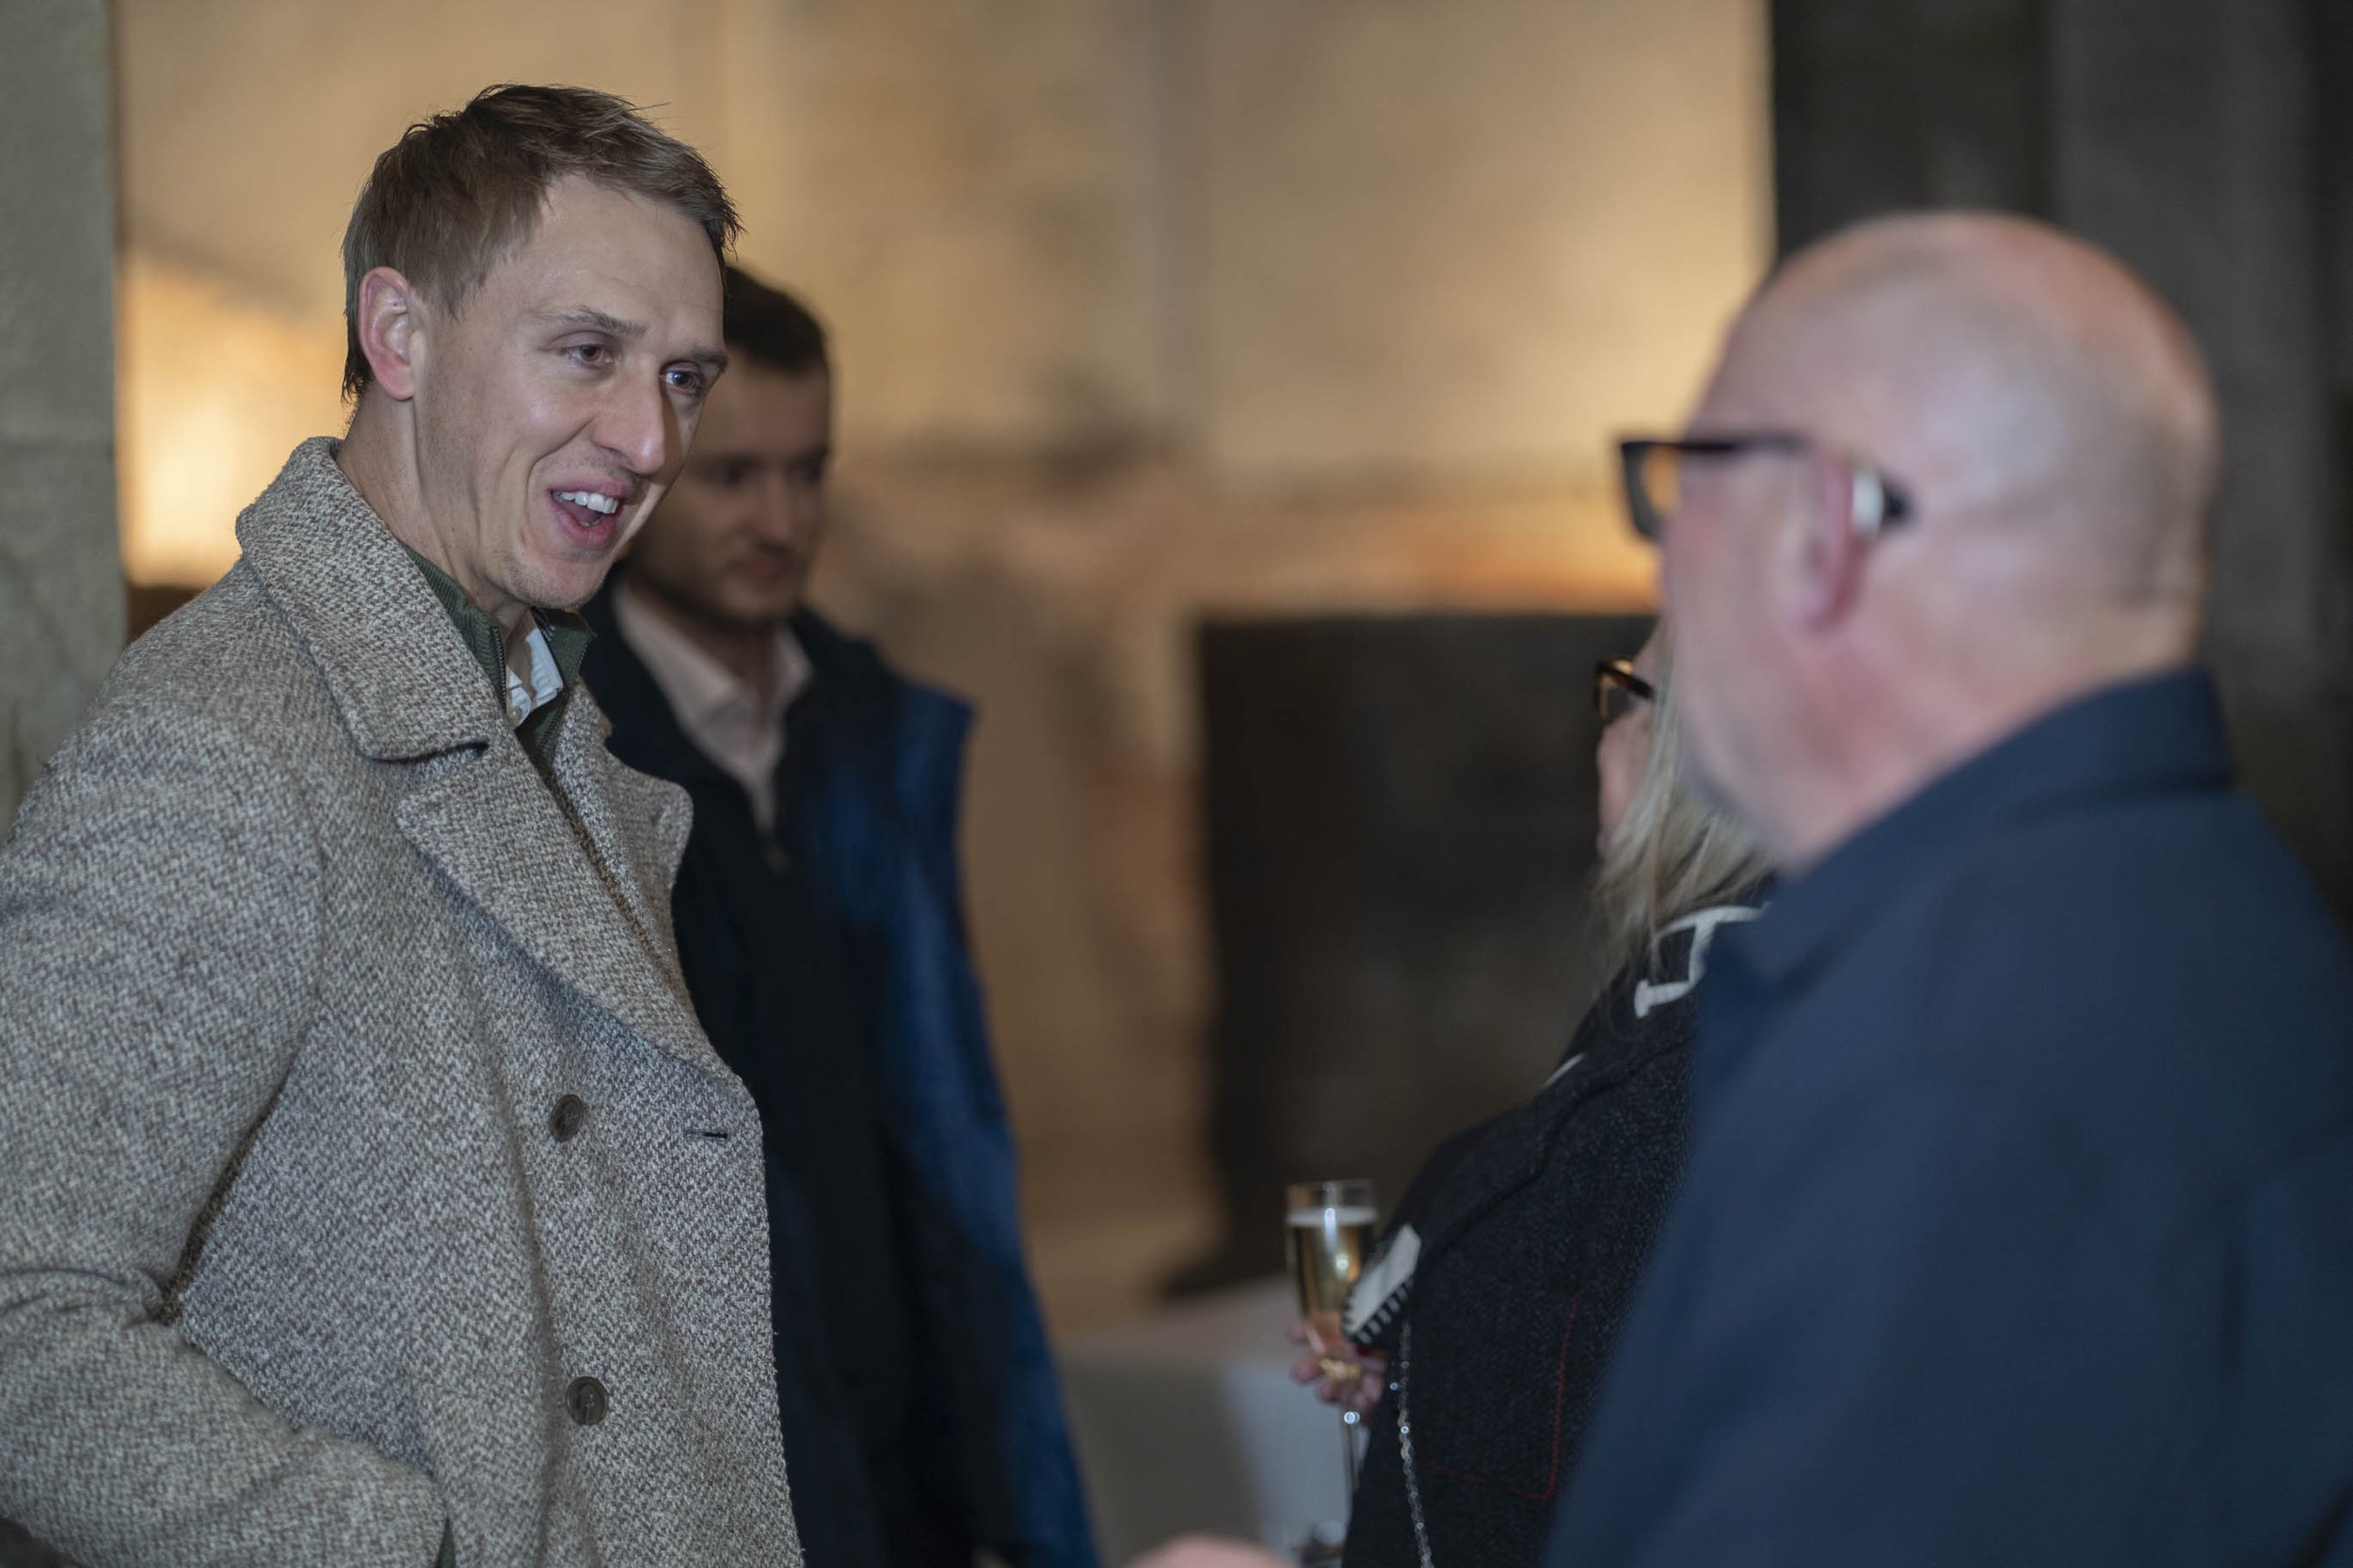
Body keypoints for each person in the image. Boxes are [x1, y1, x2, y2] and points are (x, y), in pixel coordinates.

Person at [0, 87, 804, 1567]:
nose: (648, 438)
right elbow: (20, 1323)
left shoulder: (538, 698)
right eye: (586, 352)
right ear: (399, 336)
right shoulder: (224, 744)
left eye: (683, 377)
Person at [1545, 213, 2353, 1565]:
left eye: (1683, 488)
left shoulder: (1943, 1068)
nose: (1664, 561)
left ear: (1824, 530)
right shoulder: (2217, 900)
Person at [578, 267, 1097, 1568]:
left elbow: (938, 1121)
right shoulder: (573, 748)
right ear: (642, 471)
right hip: (719, 1467)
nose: (780, 519)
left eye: (808, 474)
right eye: (732, 477)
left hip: (909, 1443)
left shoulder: (874, 730)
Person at [1135, 623, 1769, 1568]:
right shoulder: (1719, 1007)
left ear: (1676, 752)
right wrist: (1446, 1356)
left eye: (1620, 700)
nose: (1599, 738)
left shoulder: (1681, 1069)